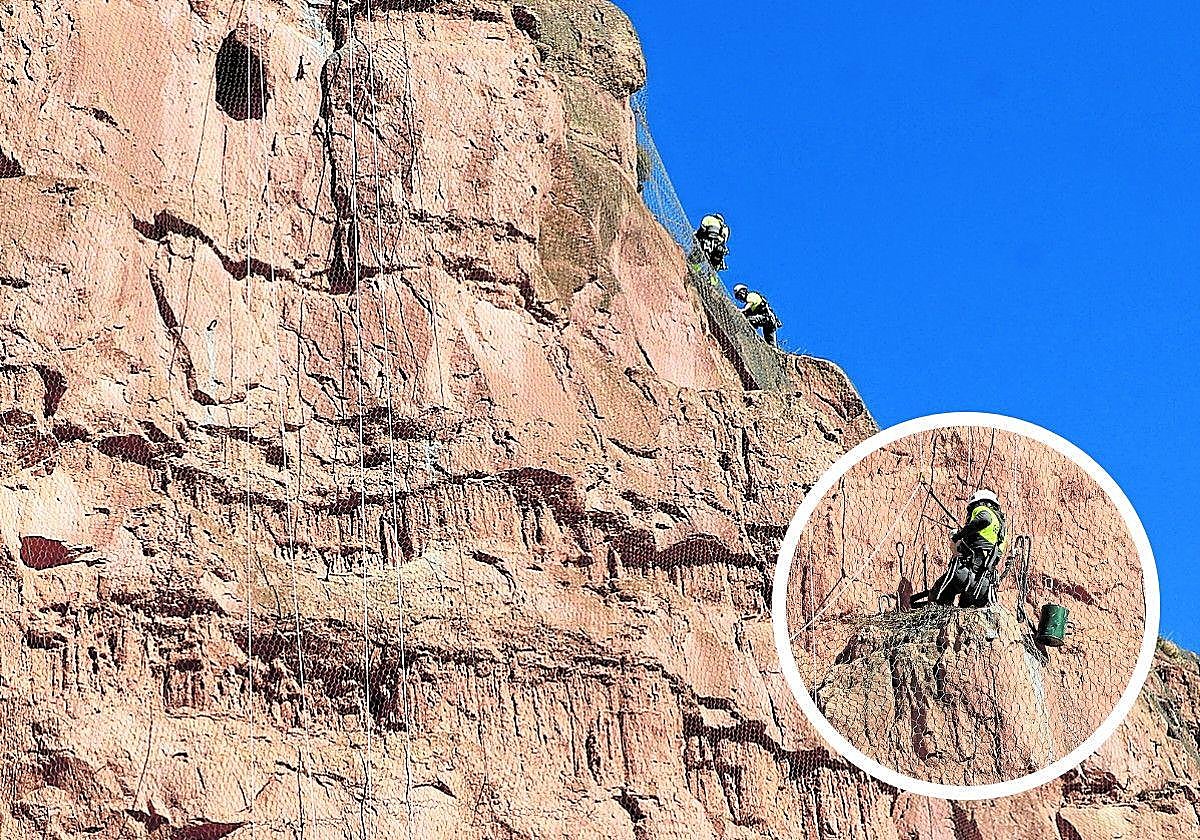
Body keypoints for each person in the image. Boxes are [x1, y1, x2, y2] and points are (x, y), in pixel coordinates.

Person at [911, 489, 1007, 608]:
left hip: (965, 573)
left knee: (937, 599)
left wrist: (959, 535)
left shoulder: (982, 509)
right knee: (966, 615)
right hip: (983, 584)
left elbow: (984, 519)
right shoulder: (1002, 529)